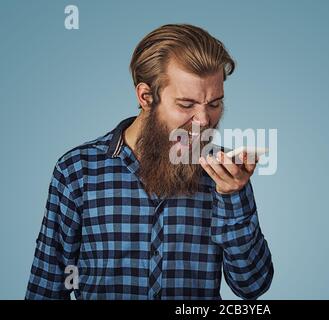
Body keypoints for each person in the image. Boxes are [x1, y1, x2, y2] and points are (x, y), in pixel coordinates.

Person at [25, 23, 273, 300]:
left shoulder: (226, 173)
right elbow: (48, 283)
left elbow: (252, 286)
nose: (204, 121)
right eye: (186, 104)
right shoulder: (78, 171)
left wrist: (233, 197)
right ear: (146, 97)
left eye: (214, 103)